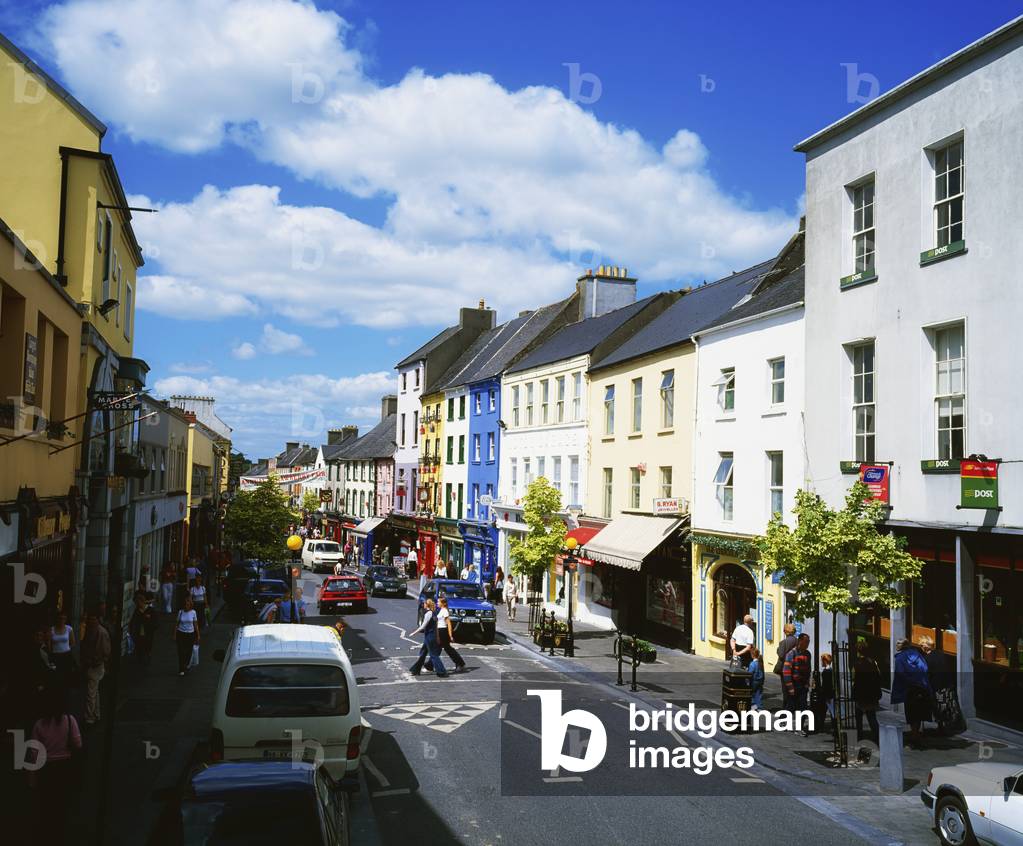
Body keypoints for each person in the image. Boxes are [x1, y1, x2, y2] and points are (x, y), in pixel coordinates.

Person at [28, 688, 82, 843]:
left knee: (47, 804)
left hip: (47, 769)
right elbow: (78, 744)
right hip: (65, 768)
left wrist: (32, 779)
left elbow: (34, 754)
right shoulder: (70, 720)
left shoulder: (39, 725)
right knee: (62, 804)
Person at [891, 638, 931, 747]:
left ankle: (914, 735)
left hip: (910, 689)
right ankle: (916, 733)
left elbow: (900, 673)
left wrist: (908, 682)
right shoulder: (917, 655)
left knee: (911, 712)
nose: (896, 645)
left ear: (902, 646)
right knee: (918, 712)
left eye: (898, 644)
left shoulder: (900, 658)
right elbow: (925, 668)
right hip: (921, 687)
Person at [80, 611, 110, 725]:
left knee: (91, 692)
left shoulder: (100, 632)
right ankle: (96, 714)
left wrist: (93, 662)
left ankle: (89, 717)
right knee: (94, 691)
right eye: (90, 619)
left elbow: (104, 651)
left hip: (95, 665)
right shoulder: (92, 630)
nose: (91, 621)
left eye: (93, 619)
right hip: (94, 664)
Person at [920, 635, 955, 734]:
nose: (921, 648)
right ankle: (945, 726)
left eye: (922, 646)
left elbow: (927, 674)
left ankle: (941, 727)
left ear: (925, 647)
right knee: (945, 706)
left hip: (936, 686)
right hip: (946, 684)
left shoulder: (927, 659)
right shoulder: (940, 654)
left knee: (938, 707)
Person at [782, 633, 812, 735]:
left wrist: (808, 683)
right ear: (800, 641)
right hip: (793, 684)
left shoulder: (807, 654)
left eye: (808, 642)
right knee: (791, 706)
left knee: (803, 707)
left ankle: (799, 728)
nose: (807, 644)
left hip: (802, 685)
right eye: (806, 642)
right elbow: (786, 671)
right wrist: (790, 687)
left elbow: (808, 669)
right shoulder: (791, 654)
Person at [426, 597, 466, 673]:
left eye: (438, 602)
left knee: (447, 649)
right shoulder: (441, 610)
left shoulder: (444, 611)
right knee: (437, 649)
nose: (437, 603)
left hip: (443, 631)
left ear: (443, 603)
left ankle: (460, 664)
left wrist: (450, 635)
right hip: (439, 631)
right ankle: (430, 665)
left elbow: (449, 624)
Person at [852, 641, 882, 743]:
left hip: (861, 693)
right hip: (871, 693)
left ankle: (859, 736)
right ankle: (877, 736)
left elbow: (854, 678)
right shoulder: (873, 662)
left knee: (858, 715)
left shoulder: (856, 663)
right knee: (871, 716)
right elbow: (878, 676)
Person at [409, 599, 447, 677]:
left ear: (427, 605)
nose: (423, 605)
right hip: (431, 636)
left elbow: (423, 626)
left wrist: (414, 633)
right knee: (422, 654)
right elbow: (436, 627)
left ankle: (441, 671)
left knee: (433, 655)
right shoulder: (434, 613)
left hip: (429, 637)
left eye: (424, 604)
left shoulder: (428, 614)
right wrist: (437, 637)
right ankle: (415, 670)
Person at [174, 596, 200, 677]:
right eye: (185, 604)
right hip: (181, 634)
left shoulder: (193, 612)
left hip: (190, 634)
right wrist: (174, 634)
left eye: (188, 604)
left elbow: (195, 624)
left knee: (188, 651)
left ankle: (186, 664)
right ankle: (181, 668)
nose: (186, 605)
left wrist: (198, 635)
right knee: (181, 651)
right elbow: (176, 624)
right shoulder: (180, 612)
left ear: (190, 605)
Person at [130, 594, 157, 667]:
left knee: (147, 648)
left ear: (142, 602)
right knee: (139, 649)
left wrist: (147, 619)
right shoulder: (137, 611)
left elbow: (155, 623)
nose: (137, 605)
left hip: (148, 634)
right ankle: (141, 662)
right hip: (139, 633)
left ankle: (146, 660)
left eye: (137, 603)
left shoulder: (150, 610)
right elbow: (133, 621)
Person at [48, 611, 75, 682]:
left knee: (66, 675)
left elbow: (72, 642)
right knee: (56, 675)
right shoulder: (52, 629)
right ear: (57, 619)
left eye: (64, 618)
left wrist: (66, 649)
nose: (62, 620)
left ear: (65, 619)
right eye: (60, 618)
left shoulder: (69, 628)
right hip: (56, 655)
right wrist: (51, 654)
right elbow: (49, 643)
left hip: (66, 655)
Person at [820, 652, 836, 728]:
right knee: (829, 711)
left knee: (826, 711)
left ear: (825, 661)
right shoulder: (830, 670)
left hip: (827, 695)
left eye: (821, 661)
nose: (821, 663)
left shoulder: (827, 672)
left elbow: (827, 685)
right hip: (829, 694)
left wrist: (826, 695)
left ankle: (833, 727)